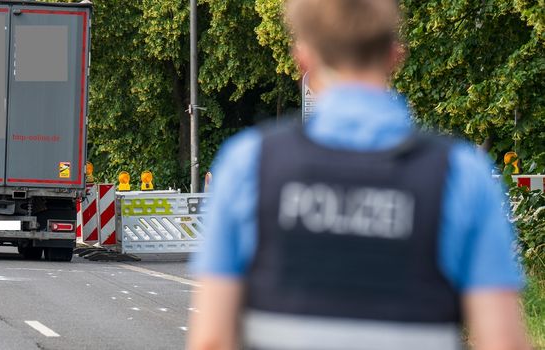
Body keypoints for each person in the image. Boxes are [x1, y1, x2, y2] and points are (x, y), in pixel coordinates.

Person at [187, 0, 531, 349]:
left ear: (302, 60)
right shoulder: (461, 174)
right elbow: (502, 341)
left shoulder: (250, 165)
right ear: (394, 57)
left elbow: (212, 340)